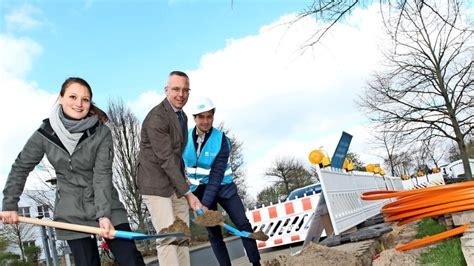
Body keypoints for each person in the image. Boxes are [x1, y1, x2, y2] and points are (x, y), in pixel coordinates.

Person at [0, 77, 144, 266]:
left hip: (105, 203)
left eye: (85, 99)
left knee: (130, 259)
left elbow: (102, 175)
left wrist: (104, 215)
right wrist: (10, 204)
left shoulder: (101, 133)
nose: (79, 103)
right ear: (61, 98)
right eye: (73, 97)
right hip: (71, 211)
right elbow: (21, 167)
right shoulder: (44, 134)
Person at [183, 96, 261, 266]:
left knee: (242, 224)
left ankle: (256, 263)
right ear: (194, 118)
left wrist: (205, 204)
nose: (205, 121)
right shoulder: (183, 138)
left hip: (224, 188)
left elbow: (216, 176)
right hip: (199, 191)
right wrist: (184, 181)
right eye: (201, 117)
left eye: (209, 116)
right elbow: (176, 162)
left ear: (213, 116)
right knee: (214, 233)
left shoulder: (221, 141)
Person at [136, 71, 202, 266]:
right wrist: (189, 194)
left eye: (185, 90)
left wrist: (184, 179)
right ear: (166, 90)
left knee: (181, 235)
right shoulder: (157, 118)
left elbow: (176, 155)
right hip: (155, 183)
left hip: (173, 181)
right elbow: (165, 159)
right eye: (176, 89)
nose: (181, 94)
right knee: (168, 236)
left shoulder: (182, 117)